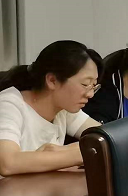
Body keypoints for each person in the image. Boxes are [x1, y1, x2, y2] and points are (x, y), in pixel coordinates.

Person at [0, 41, 102, 176]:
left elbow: (107, 136)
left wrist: (64, 152)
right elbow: (8, 163)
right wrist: (80, 153)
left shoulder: (64, 108)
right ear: (52, 80)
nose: (90, 94)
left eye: (94, 86)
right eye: (85, 84)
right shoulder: (9, 105)